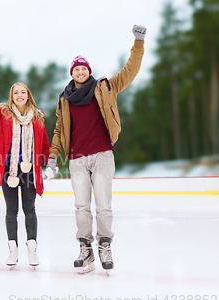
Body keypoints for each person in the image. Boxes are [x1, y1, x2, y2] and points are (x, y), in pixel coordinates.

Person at [46, 25, 146, 274]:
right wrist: (51, 158)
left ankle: (104, 245)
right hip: (77, 159)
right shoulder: (64, 99)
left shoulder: (105, 88)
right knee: (81, 206)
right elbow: (59, 131)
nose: (80, 72)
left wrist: (138, 42)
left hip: (102, 154)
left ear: (89, 71)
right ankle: (85, 248)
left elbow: (130, 71)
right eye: (76, 69)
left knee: (103, 205)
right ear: (72, 73)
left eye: (84, 68)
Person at [0, 61, 50, 268]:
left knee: (30, 209)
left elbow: (45, 145)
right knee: (11, 211)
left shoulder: (37, 118)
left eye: (23, 92)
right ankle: (13, 250)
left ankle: (32, 250)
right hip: (8, 170)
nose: (19, 96)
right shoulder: (4, 114)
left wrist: (49, 164)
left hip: (29, 171)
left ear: (28, 95)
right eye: (16, 92)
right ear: (12, 96)